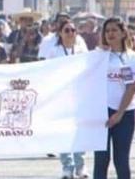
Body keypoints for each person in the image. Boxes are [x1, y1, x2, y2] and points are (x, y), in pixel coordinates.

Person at [94, 17, 135, 179]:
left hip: (125, 113)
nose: (110, 34)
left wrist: (119, 113)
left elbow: (132, 86)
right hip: (102, 112)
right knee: (101, 159)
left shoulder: (131, 57)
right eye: (107, 31)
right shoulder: (99, 56)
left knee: (121, 160)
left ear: (123, 33)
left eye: (114, 30)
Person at [42, 20, 89, 179]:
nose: (70, 33)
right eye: (67, 30)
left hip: (79, 97)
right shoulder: (54, 51)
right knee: (63, 132)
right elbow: (47, 72)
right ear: (60, 33)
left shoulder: (82, 49)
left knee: (80, 133)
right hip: (60, 97)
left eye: (73, 30)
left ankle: (80, 166)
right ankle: (67, 167)